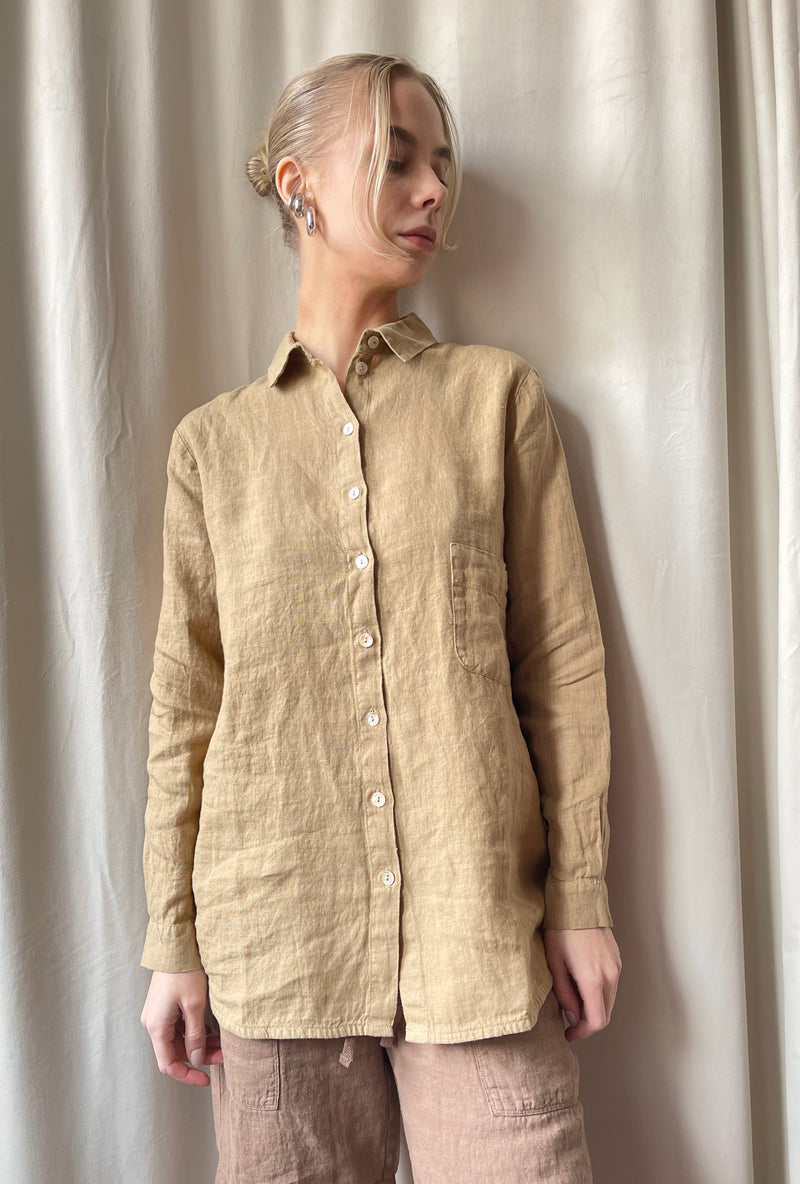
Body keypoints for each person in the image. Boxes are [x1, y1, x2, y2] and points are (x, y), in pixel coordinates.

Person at [139, 51, 622, 1184]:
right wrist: (171, 940)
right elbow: (185, 710)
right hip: (276, 951)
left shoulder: (496, 401)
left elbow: (559, 665)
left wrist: (581, 897)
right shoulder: (214, 449)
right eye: (397, 158)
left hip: (478, 944)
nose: (433, 189)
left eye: (440, 163)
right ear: (299, 183)